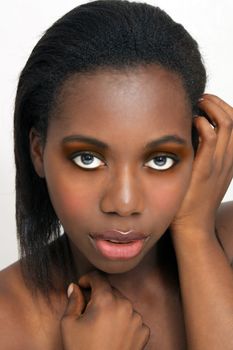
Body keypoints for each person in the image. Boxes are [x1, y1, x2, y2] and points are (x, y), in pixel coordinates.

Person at [0, 0, 233, 349]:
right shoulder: (8, 320)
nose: (124, 204)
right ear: (38, 151)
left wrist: (196, 236)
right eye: (87, 159)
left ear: (199, 151)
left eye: (160, 160)